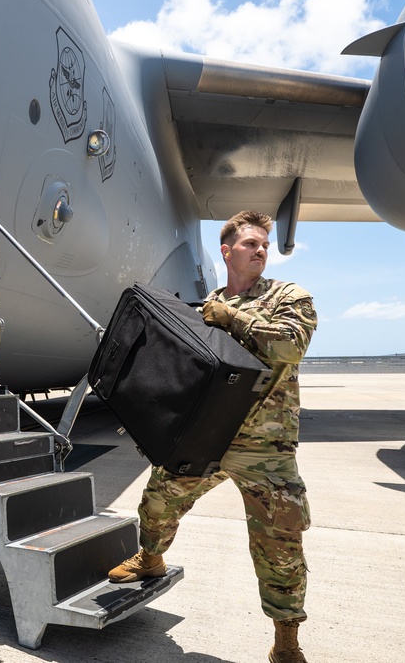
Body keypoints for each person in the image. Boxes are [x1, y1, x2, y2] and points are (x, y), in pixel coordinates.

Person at [107, 210, 318, 663]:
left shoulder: (287, 296)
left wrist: (232, 319)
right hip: (209, 439)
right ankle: (151, 557)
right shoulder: (205, 308)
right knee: (157, 501)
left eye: (264, 244)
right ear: (227, 251)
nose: (260, 249)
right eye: (250, 244)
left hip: (266, 449)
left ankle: (286, 642)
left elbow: (289, 346)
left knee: (280, 546)